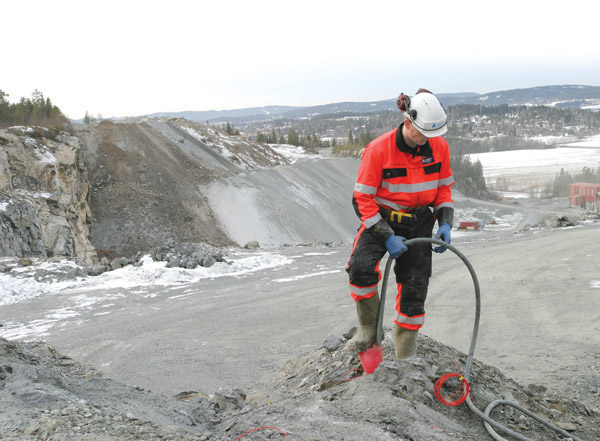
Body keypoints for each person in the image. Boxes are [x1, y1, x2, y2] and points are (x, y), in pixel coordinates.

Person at [345, 89, 454, 360]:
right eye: (423, 134)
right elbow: (362, 199)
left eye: (433, 135)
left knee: (414, 288)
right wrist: (386, 234)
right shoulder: (378, 150)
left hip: (418, 222)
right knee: (360, 269)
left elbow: (443, 190)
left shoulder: (439, 146)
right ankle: (368, 331)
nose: (428, 141)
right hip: (382, 219)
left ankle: (405, 357)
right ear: (408, 122)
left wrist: (445, 223)